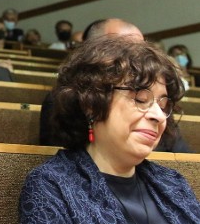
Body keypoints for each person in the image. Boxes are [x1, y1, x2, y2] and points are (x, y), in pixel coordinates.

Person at [19, 36, 200, 224]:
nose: (158, 115)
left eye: (163, 105)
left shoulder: (173, 183)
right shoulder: (53, 186)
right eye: (141, 98)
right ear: (91, 105)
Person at [38, 18, 191, 152]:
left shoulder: (157, 104)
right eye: (121, 49)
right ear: (91, 52)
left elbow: (184, 158)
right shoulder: (66, 99)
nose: (137, 59)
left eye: (141, 50)